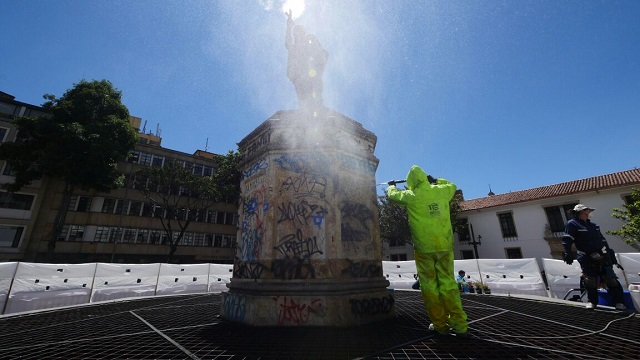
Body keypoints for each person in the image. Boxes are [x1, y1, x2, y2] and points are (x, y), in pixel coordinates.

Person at [386, 165, 468, 336]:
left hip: (424, 249)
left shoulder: (411, 195)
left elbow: (392, 195)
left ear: (411, 182)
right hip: (444, 246)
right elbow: (452, 185)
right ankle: (460, 325)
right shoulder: (441, 191)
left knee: (430, 287)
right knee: (448, 284)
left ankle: (440, 325)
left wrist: (391, 185)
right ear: (424, 177)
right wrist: (435, 180)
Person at [562, 204, 626, 310]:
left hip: (602, 255)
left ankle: (619, 302)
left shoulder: (594, 226)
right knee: (590, 280)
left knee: (611, 279)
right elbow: (567, 239)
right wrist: (567, 252)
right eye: (587, 210)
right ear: (581, 211)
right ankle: (593, 302)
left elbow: (603, 240)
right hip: (586, 257)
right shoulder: (572, 224)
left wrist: (610, 254)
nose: (589, 212)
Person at [285, 10, 328, 114]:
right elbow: (287, 42)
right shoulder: (294, 47)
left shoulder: (310, 41)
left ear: (303, 32)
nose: (298, 34)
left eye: (300, 31)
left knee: (314, 95)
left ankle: (316, 112)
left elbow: (320, 52)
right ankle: (306, 114)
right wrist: (289, 25)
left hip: (311, 73)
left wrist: (320, 59)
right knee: (303, 97)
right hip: (299, 76)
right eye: (296, 32)